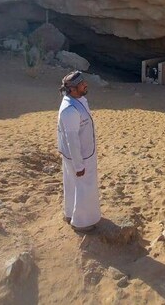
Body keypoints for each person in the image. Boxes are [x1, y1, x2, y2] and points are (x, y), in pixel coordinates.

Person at [57, 71, 101, 232]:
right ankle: (83, 222)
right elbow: (72, 140)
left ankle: (70, 213)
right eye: (82, 84)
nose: (85, 85)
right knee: (84, 187)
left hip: (83, 153)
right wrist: (79, 165)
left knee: (73, 184)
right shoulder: (69, 110)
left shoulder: (78, 99)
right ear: (73, 89)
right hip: (79, 156)